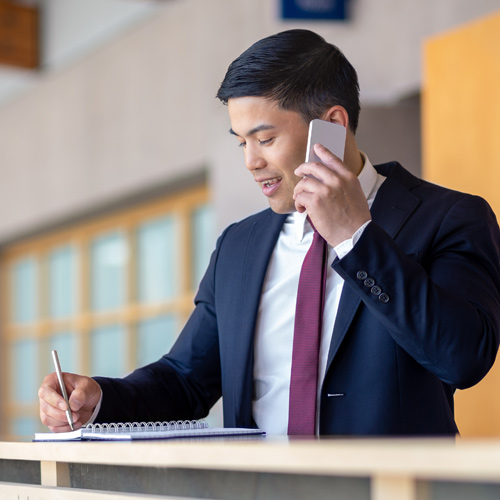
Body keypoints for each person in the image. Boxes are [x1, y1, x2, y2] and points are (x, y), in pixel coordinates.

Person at [39, 29, 500, 436]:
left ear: (333, 126)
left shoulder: (451, 217)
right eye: (241, 142)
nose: (250, 162)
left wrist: (355, 237)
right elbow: (186, 379)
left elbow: (463, 358)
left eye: (265, 138)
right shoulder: (239, 246)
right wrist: (99, 400)